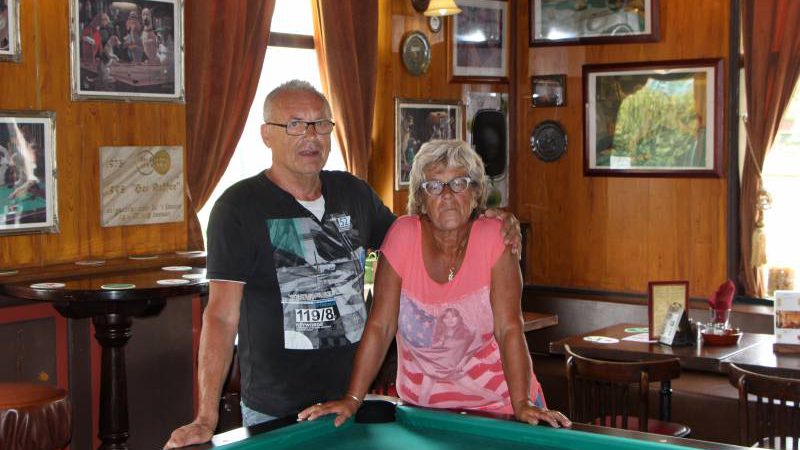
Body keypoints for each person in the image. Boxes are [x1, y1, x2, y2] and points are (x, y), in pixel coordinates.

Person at [164, 82, 521, 448]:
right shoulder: (237, 208)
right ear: (266, 135)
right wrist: (205, 417)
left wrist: (487, 220)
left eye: (321, 124)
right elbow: (221, 318)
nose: (311, 136)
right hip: (276, 411)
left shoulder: (354, 193)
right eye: (295, 124)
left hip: (350, 404)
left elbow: (420, 234)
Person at [299, 140, 571, 428]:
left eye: (459, 183)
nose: (447, 195)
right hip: (423, 412)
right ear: (420, 199)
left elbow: (509, 329)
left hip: (501, 406)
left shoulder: (495, 237)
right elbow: (380, 327)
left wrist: (522, 402)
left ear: (476, 193)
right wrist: (353, 398)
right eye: (434, 186)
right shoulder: (402, 236)